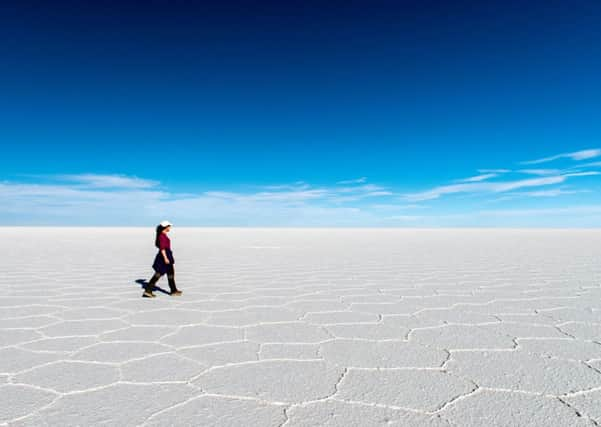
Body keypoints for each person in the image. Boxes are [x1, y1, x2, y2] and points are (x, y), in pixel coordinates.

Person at [143, 221, 182, 297]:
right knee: (158, 274)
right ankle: (148, 291)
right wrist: (165, 258)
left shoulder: (163, 235)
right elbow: (162, 248)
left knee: (170, 273)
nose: (170, 227)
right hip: (164, 257)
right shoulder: (161, 236)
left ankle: (173, 290)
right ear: (166, 227)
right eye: (169, 226)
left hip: (167, 255)